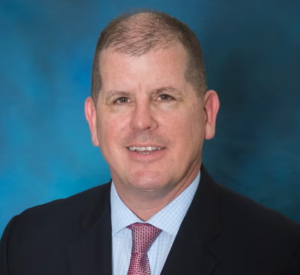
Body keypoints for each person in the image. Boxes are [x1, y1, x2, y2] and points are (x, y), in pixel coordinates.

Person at [1, 10, 300, 275]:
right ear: (94, 121)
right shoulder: (26, 242)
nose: (141, 121)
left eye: (164, 97)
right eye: (121, 99)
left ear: (207, 114)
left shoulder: (281, 253)